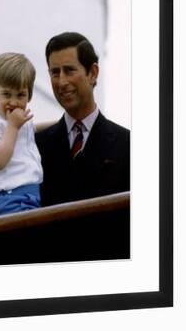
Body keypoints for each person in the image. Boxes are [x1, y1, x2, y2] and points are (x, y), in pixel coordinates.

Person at [35, 31, 130, 206]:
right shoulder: (35, 147)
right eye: (55, 73)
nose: (62, 82)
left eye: (69, 70)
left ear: (92, 73)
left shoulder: (128, 145)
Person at [0, 53, 43, 216]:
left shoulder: (22, 123)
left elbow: (34, 130)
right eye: (7, 94)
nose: (13, 102)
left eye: (20, 95)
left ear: (29, 96)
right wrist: (12, 127)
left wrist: (62, 123)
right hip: (11, 199)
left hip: (32, 195)